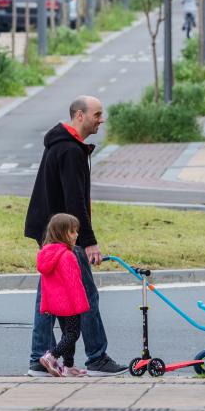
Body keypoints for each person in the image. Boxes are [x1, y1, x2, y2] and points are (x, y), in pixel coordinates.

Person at [24, 95, 126, 377]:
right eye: (97, 114)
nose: (101, 119)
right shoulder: (70, 151)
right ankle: (96, 357)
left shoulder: (62, 145)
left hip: (50, 233)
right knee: (85, 295)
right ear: (79, 116)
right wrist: (87, 240)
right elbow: (75, 200)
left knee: (47, 296)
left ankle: (39, 357)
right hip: (65, 235)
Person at [36, 213, 90, 377]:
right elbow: (74, 284)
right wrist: (81, 305)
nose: (76, 235)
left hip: (56, 304)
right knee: (73, 334)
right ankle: (51, 356)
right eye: (72, 232)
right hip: (70, 303)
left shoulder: (47, 254)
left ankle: (69, 366)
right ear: (61, 233)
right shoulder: (67, 256)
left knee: (67, 333)